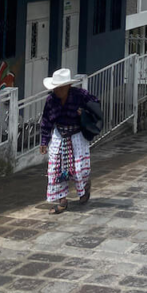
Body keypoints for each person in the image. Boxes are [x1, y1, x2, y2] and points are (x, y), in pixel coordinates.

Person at [39, 68, 100, 215]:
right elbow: (46, 121)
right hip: (59, 135)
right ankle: (62, 201)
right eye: (55, 88)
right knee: (56, 169)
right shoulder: (51, 100)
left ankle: (85, 187)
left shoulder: (80, 95)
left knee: (80, 169)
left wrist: (84, 113)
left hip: (77, 135)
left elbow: (96, 105)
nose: (57, 91)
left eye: (60, 88)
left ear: (67, 86)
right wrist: (44, 141)